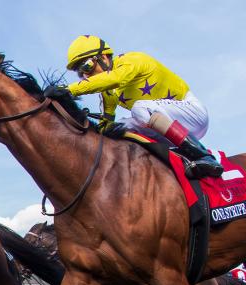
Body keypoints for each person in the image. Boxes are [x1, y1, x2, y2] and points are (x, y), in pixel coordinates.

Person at [49, 35, 223, 179]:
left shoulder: (131, 61)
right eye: (81, 74)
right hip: (170, 124)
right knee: (120, 127)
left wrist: (68, 90)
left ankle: (203, 155)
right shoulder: (108, 92)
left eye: (87, 66)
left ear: (104, 57)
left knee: (139, 108)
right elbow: (106, 123)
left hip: (193, 113)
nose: (86, 76)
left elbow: (114, 79)